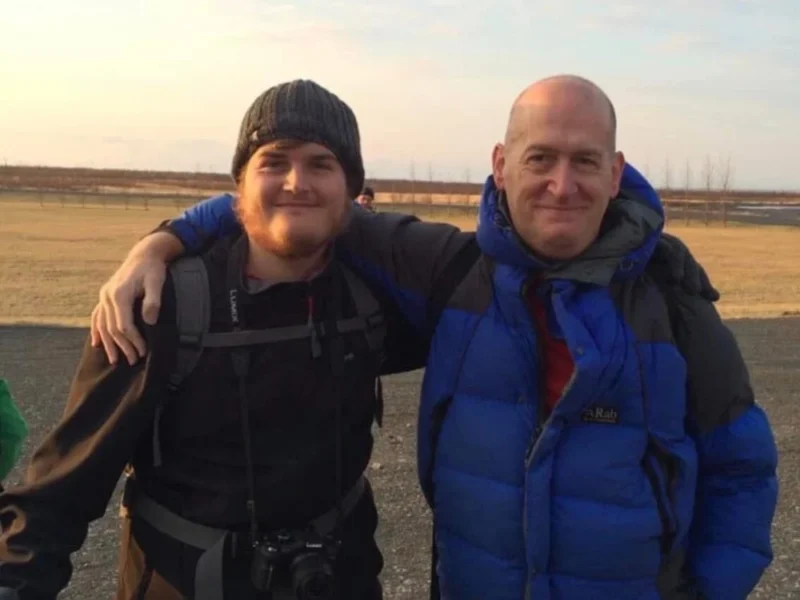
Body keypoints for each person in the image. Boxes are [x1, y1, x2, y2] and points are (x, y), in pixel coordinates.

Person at [88, 75, 777, 600]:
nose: (561, 185)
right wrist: (166, 238)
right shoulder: (453, 272)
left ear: (616, 170)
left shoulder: (672, 301)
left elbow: (742, 469)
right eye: (540, 159)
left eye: (584, 161)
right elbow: (291, 198)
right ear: (502, 164)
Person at [0, 80, 429, 599]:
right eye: (274, 162)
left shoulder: (372, 301)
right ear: (239, 187)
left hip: (338, 576)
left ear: (351, 189)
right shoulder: (160, 307)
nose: (297, 182)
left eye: (321, 163)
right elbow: (58, 494)